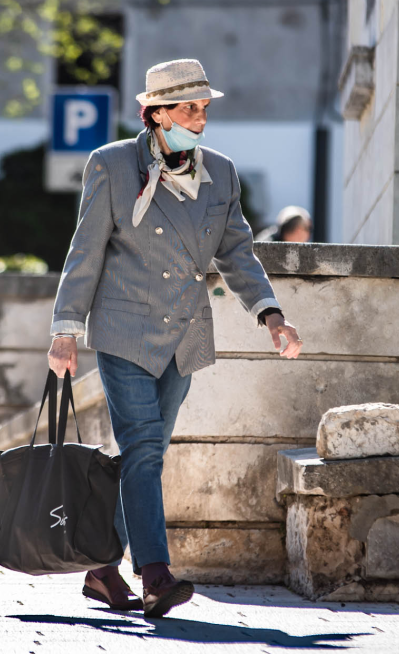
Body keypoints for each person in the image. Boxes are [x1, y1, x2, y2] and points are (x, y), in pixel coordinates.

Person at [46, 58, 303, 618]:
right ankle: (156, 575)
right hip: (123, 332)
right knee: (142, 448)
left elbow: (237, 253)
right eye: (189, 108)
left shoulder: (221, 173)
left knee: (148, 454)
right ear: (157, 113)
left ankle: (101, 570)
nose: (200, 118)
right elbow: (85, 252)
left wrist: (271, 315)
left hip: (184, 336)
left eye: (204, 108)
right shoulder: (111, 164)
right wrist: (65, 329)